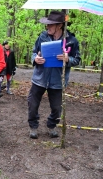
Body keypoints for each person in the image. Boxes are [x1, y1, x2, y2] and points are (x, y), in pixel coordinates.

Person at [27, 11, 81, 139]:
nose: (47, 27)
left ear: (60, 25)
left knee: (57, 108)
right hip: (39, 78)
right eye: (47, 25)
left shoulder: (71, 41)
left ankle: (52, 125)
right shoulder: (42, 37)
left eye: (50, 25)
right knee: (32, 104)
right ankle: (33, 127)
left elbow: (77, 60)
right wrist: (35, 59)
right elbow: (33, 53)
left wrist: (68, 60)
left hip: (58, 81)